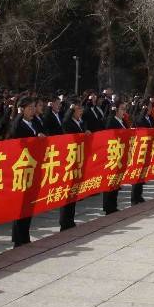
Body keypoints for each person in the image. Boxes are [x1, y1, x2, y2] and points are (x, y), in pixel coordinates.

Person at [8, 97, 44, 247]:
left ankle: (25, 234)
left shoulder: (34, 122)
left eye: (33, 107)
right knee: (20, 205)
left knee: (29, 204)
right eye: (29, 108)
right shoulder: (18, 125)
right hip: (22, 169)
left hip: (33, 167)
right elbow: (15, 142)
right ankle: (18, 238)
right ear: (22, 109)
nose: (32, 110)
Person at [59, 98, 90, 230]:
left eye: (81, 109)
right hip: (69, 160)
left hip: (79, 158)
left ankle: (70, 219)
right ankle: (64, 221)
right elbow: (66, 128)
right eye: (78, 109)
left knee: (74, 191)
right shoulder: (68, 122)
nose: (81, 111)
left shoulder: (80, 122)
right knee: (68, 191)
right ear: (73, 110)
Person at [102, 101, 128, 214]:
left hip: (120, 155)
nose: (124, 111)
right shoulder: (111, 121)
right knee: (110, 181)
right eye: (122, 109)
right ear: (116, 110)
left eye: (125, 109)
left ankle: (113, 204)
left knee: (116, 181)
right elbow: (108, 136)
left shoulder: (122, 121)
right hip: (112, 155)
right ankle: (108, 206)